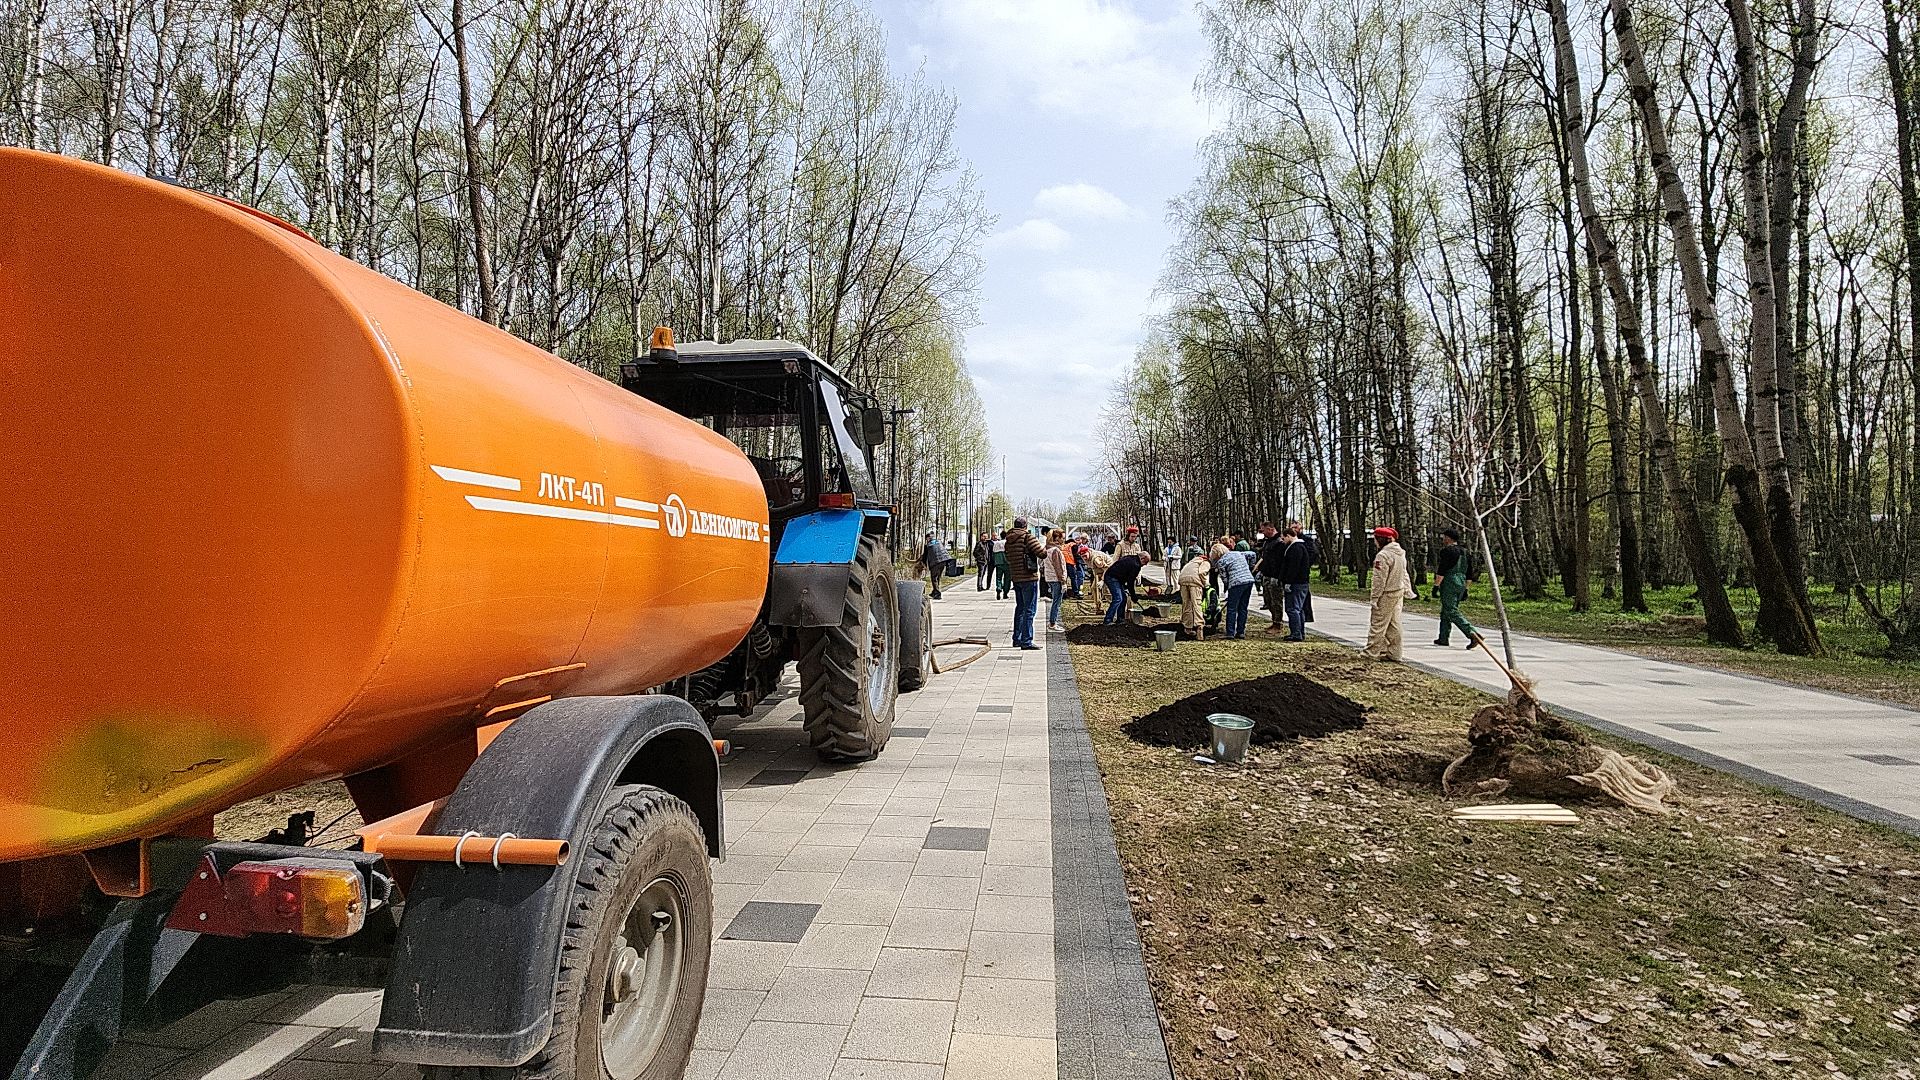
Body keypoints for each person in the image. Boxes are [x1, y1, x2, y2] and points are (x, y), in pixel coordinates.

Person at [1363, 526, 1418, 661]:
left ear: (1380, 540)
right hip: (1398, 591)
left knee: (1377, 624)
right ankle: (1395, 652)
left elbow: (1379, 580)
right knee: (1394, 624)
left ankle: (1371, 652)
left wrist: (1375, 597)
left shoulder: (1383, 556)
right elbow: (1404, 573)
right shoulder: (1400, 553)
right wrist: (1407, 589)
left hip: (1386, 593)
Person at [1434, 528, 1485, 649]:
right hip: (1461, 582)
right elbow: (1470, 572)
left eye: (1444, 537)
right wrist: (1466, 588)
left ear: (1448, 538)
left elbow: (1442, 569)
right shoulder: (1465, 552)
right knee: (1447, 609)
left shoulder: (1447, 551)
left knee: (1451, 610)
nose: (1443, 539)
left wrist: (1436, 585)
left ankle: (1472, 633)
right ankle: (1443, 637)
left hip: (1449, 582)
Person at [1005, 517, 1046, 649]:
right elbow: (1042, 554)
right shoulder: (1028, 537)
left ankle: (1016, 639)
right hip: (1029, 577)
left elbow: (1007, 556)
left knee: (1020, 608)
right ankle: (1026, 640)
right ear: (1025, 526)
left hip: (1016, 577)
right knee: (1030, 609)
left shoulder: (1009, 540)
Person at [1214, 537, 1256, 639]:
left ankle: (1230, 633)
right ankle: (1240, 632)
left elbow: (1225, 579)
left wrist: (1229, 588)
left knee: (1232, 608)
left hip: (1236, 584)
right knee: (1243, 607)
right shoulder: (1238, 553)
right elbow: (1253, 554)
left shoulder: (1221, 562)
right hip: (1249, 581)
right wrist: (1250, 566)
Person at [1277, 526, 1314, 641]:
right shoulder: (1301, 547)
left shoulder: (1295, 548)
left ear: (1289, 536)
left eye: (1284, 539)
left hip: (1296, 583)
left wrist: (1288, 581)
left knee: (1292, 609)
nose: (1283, 541)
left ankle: (1296, 633)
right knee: (1299, 609)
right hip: (1301, 582)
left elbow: (1293, 567)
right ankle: (1300, 632)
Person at [1103, 540, 1146, 624]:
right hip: (1111, 577)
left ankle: (1120, 619)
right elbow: (1130, 582)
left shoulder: (1133, 559)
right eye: (1146, 562)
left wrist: (1124, 586)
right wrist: (1134, 596)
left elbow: (1124, 574)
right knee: (1118, 598)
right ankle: (1108, 620)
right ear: (1142, 558)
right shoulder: (1135, 565)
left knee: (1124, 598)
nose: (1146, 564)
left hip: (1117, 578)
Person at [1177, 548, 1211, 640]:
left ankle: (1187, 628)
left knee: (1186, 604)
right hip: (1194, 582)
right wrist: (1206, 584)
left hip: (1182, 580)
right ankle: (1199, 629)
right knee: (1197, 604)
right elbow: (1202, 572)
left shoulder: (1191, 562)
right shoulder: (1205, 562)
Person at [1251, 523, 1283, 613]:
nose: (1263, 533)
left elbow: (1280, 561)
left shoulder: (1279, 542)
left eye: (1263, 530)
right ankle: (1273, 620)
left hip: (1275, 575)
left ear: (1270, 529)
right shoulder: (1267, 542)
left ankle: (1277, 622)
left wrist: (1278, 576)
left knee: (1276, 601)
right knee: (1268, 600)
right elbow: (1264, 557)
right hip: (1266, 573)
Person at [1044, 528, 1070, 632]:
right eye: (1062, 538)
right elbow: (1059, 567)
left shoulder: (1047, 549)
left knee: (1056, 600)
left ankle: (1052, 622)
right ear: (1057, 538)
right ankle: (1052, 623)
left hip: (1050, 577)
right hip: (1056, 579)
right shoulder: (1055, 551)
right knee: (1057, 601)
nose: (1064, 540)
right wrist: (1063, 581)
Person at [921, 532, 948, 600]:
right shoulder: (938, 541)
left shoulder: (927, 545)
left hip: (935, 562)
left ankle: (938, 594)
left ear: (927, 538)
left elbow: (925, 556)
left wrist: (924, 564)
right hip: (943, 561)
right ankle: (934, 592)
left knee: (934, 578)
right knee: (938, 577)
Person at [992, 532, 1010, 599]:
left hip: (999, 562)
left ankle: (998, 589)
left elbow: (993, 552)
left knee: (998, 577)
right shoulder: (1008, 543)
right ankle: (1005, 593)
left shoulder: (996, 543)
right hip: (1007, 563)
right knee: (1007, 578)